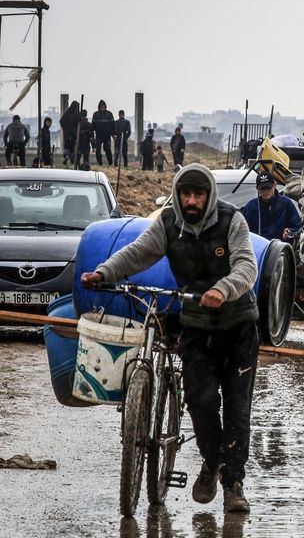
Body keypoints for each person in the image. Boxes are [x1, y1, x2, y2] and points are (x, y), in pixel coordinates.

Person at [80, 164, 259, 513]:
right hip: (196, 325)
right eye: (185, 194)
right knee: (200, 401)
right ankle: (211, 463)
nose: (191, 201)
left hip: (238, 326)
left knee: (238, 410)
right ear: (177, 195)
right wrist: (104, 272)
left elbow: (247, 266)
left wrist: (223, 289)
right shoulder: (168, 224)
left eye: (198, 194)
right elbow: (138, 252)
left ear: (209, 195)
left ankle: (233, 484)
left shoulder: (231, 221)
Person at [242, 172, 302, 242]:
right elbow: (243, 232)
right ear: (257, 189)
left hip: (282, 249)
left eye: (268, 188)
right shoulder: (250, 207)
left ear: (274, 185)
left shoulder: (286, 204)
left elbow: (298, 227)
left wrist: (290, 233)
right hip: (258, 248)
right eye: (262, 188)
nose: (266, 191)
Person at [91, 100, 115, 165]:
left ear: (105, 106)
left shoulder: (109, 114)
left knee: (107, 149)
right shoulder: (95, 114)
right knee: (98, 150)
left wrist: (113, 134)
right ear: (99, 106)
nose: (102, 107)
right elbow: (93, 126)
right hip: (99, 135)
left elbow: (113, 125)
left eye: (103, 106)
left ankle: (110, 163)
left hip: (107, 135)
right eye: (101, 106)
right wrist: (92, 136)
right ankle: (100, 163)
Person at [59, 100, 80, 167]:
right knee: (73, 148)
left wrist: (65, 130)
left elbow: (62, 121)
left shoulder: (68, 113)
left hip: (68, 135)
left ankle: (67, 157)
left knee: (68, 147)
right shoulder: (75, 114)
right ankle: (72, 160)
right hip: (73, 134)